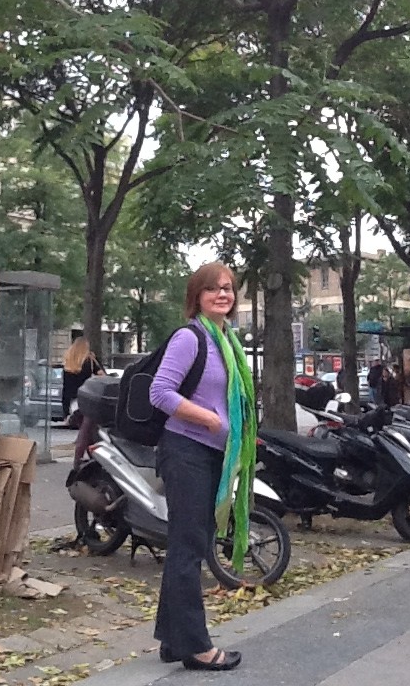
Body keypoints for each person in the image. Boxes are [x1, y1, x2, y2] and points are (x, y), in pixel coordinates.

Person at [149, 262, 256, 672]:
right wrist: (208, 418)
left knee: (188, 544)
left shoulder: (227, 340)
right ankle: (196, 646)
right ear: (197, 296)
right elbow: (161, 392)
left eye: (228, 289)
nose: (223, 295)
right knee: (188, 547)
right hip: (186, 451)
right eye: (213, 289)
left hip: (213, 454)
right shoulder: (189, 337)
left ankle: (172, 640)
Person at [61, 336, 101, 424]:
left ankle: (70, 416)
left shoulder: (67, 361)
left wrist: (65, 412)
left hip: (70, 397)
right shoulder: (89, 360)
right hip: (85, 395)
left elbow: (65, 387)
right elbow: (101, 375)